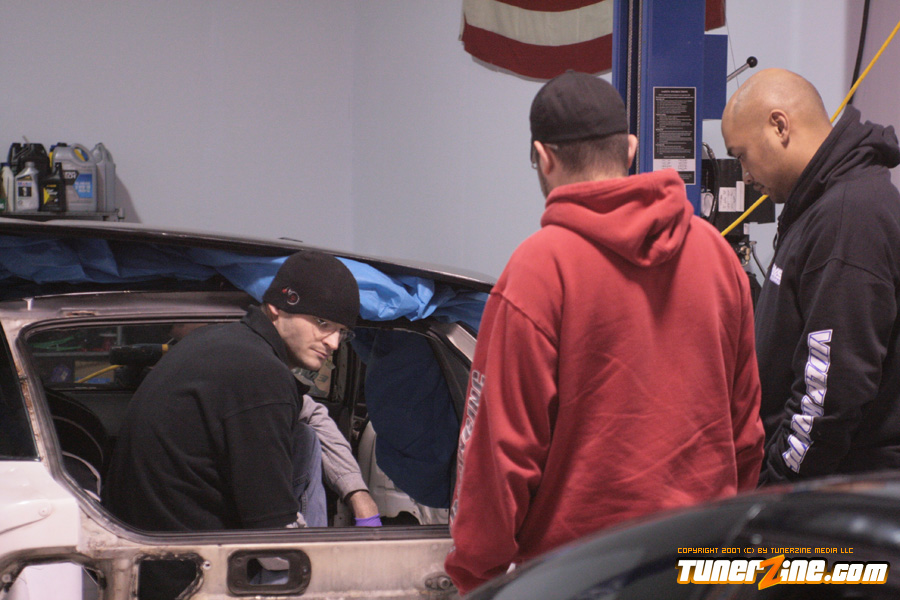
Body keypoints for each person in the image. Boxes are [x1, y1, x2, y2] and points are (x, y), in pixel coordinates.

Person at [444, 71, 765, 594]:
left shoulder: (538, 272)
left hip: (581, 576)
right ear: (631, 148)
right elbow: (746, 432)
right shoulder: (717, 256)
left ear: (543, 158)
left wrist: (477, 577)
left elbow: (499, 454)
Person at [103, 250, 381, 531]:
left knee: (306, 436)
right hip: (186, 551)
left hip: (144, 533)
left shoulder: (228, 346)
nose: (334, 343)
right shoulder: (260, 375)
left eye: (342, 332)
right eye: (323, 323)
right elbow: (274, 535)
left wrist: (358, 494)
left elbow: (311, 413)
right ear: (278, 307)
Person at [721, 68, 900, 484]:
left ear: (779, 126)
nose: (745, 175)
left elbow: (830, 393)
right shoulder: (821, 208)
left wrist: (777, 487)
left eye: (742, 155)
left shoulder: (848, 216)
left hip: (843, 489)